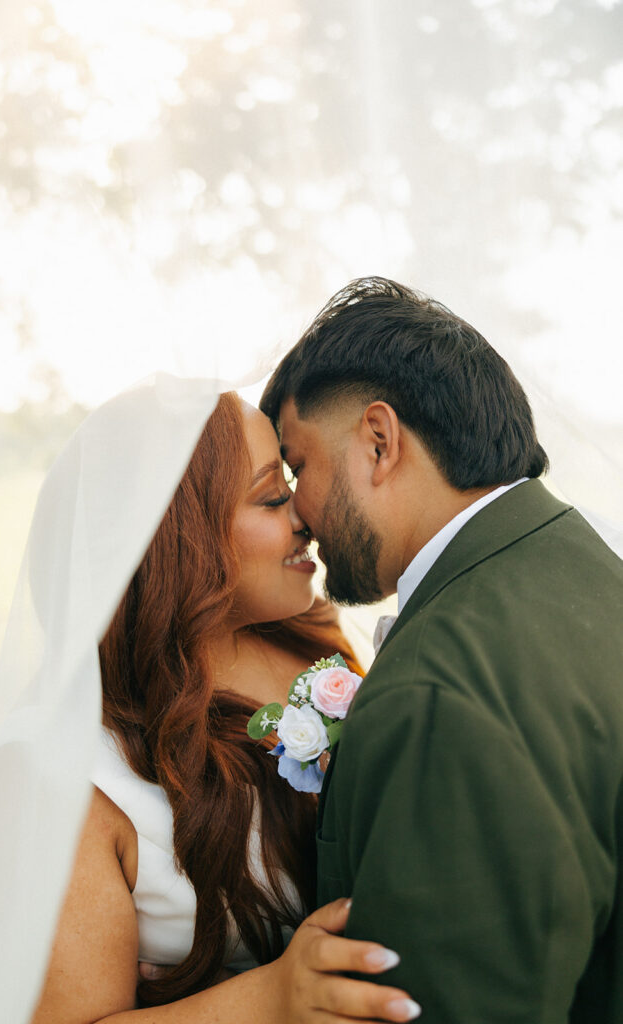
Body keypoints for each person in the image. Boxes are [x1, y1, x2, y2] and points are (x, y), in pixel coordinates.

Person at [260, 276, 623, 1023]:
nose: (296, 509)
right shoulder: (586, 563)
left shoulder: (435, 689)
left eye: (298, 467)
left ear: (378, 440)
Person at [26, 390, 421, 1023]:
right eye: (272, 497)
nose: (306, 515)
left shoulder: (313, 639)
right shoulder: (68, 777)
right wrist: (270, 997)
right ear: (177, 539)